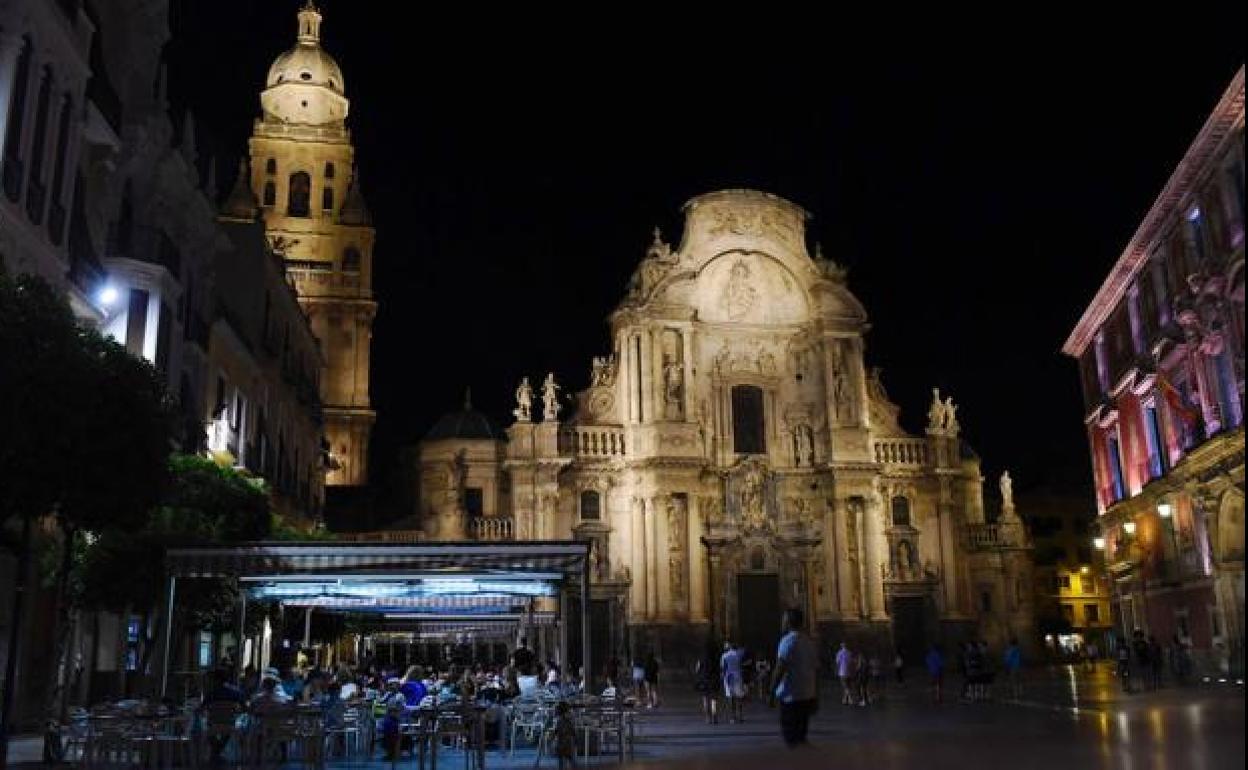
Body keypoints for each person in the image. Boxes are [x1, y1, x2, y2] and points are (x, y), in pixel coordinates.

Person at [768, 608, 818, 748]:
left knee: (790, 738)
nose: (782, 622)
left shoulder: (787, 641)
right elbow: (815, 670)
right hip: (807, 694)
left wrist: (771, 691)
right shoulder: (810, 642)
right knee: (801, 736)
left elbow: (780, 668)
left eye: (784, 620)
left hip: (790, 696)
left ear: (789, 622)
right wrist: (815, 695)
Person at [720, 641, 745, 723]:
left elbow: (723, 668)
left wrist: (723, 677)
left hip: (728, 678)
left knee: (731, 698)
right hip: (738, 676)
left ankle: (732, 717)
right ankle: (740, 715)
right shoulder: (739, 654)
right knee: (739, 697)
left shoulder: (724, 656)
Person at [694, 648, 719, 724]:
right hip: (713, 681)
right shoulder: (715, 660)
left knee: (705, 699)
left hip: (704, 681)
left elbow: (697, 670)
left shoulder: (701, 660)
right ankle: (714, 715)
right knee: (713, 699)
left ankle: (708, 717)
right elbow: (719, 670)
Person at [553, 700, 578, 769]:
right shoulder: (567, 721)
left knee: (562, 759)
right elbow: (572, 731)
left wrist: (553, 738)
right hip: (567, 741)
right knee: (569, 758)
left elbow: (556, 731)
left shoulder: (560, 721)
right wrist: (575, 739)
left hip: (562, 741)